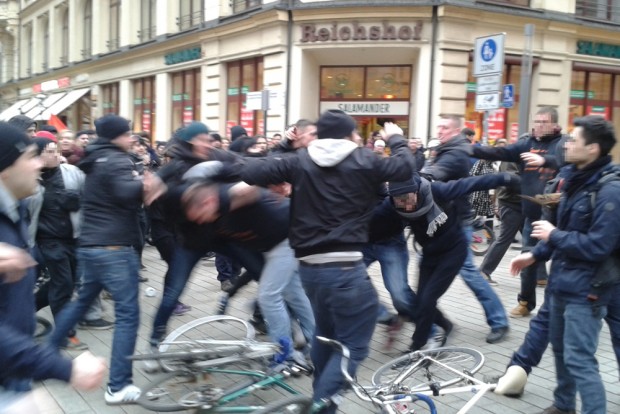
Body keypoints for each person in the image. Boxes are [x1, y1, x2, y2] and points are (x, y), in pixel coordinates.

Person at [241, 111, 415, 413]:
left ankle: (326, 403)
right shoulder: (364, 159)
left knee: (325, 337)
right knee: (356, 345)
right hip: (346, 269)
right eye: (357, 134)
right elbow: (406, 167)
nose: (360, 139)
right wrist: (395, 138)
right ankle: (321, 404)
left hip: (311, 271)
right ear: (349, 136)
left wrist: (284, 149)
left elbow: (251, 171)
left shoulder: (301, 160)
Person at [509, 115, 620, 414]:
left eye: (575, 140)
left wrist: (554, 236)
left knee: (580, 360)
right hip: (562, 283)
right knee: (560, 352)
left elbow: (598, 246)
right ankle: (563, 405)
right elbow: (555, 226)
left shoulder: (610, 191)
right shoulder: (573, 178)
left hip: (589, 289)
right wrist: (534, 254)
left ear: (593, 149)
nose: (568, 144)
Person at [0, 122, 106, 413]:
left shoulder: (15, 206)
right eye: (30, 157)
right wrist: (65, 369)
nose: (40, 164)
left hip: (14, 370)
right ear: (5, 168)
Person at [48, 114, 146, 405]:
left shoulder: (94, 158)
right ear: (117, 136)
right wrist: (149, 182)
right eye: (128, 134)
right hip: (114, 247)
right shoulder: (117, 160)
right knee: (128, 316)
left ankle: (44, 356)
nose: (131, 139)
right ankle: (118, 386)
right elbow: (127, 194)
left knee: (80, 303)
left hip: (91, 245)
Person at [469, 107, 566, 317]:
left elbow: (567, 162)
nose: (538, 125)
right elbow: (501, 152)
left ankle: (561, 306)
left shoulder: (562, 143)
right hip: (532, 214)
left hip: (559, 217)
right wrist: (471, 149)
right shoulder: (527, 143)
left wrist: (545, 161)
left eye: (543, 122)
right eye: (536, 121)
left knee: (562, 261)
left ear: (554, 125)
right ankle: (525, 303)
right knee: (528, 257)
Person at [422, 115, 509, 344]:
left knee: (469, 273)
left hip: (457, 223)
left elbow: (437, 174)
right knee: (429, 276)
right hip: (442, 224)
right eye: (438, 126)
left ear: (457, 130)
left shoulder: (455, 152)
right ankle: (433, 323)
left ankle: (499, 321)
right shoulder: (444, 149)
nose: (440, 130)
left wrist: (421, 178)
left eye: (445, 127)